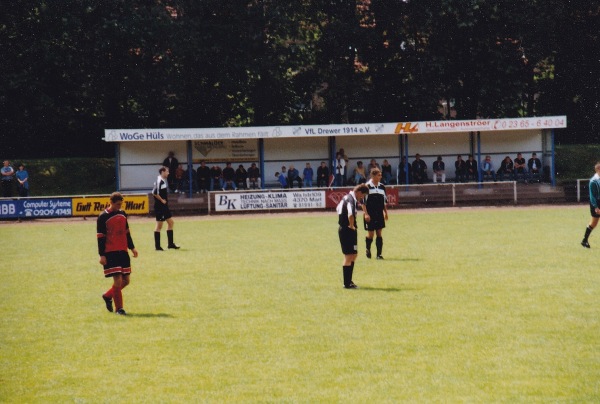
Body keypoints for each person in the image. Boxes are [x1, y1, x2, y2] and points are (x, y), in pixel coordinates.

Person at [97, 192, 139, 315]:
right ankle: (119, 309)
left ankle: (108, 295)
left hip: (123, 251)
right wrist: (102, 255)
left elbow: (127, 233)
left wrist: (132, 248)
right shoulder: (103, 217)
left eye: (121, 204)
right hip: (111, 252)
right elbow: (100, 237)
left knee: (126, 281)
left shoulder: (122, 214)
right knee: (118, 281)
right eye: (117, 204)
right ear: (111, 203)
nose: (119, 207)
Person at [336, 183, 369, 289]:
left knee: (354, 254)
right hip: (347, 230)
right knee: (349, 256)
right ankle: (346, 284)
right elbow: (350, 214)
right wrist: (351, 225)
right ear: (359, 192)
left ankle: (349, 281)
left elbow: (338, 209)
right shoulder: (351, 199)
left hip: (348, 230)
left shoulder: (347, 198)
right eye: (362, 196)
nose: (362, 198)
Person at [362, 168, 388, 260]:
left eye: (380, 175)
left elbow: (384, 202)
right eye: (378, 175)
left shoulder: (382, 186)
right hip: (370, 213)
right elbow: (363, 203)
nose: (380, 176)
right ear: (373, 176)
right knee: (371, 234)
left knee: (379, 233)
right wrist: (366, 214)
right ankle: (367, 248)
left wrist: (386, 213)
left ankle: (379, 255)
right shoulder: (367, 186)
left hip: (379, 214)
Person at [152, 167, 180, 251]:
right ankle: (157, 247)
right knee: (159, 226)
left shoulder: (163, 180)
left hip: (164, 207)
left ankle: (170, 244)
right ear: (162, 172)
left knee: (171, 223)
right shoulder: (159, 180)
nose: (168, 173)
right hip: (160, 207)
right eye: (167, 171)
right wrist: (162, 200)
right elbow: (154, 192)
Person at [581, 162, 600, 248]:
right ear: (598, 170)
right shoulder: (593, 181)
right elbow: (592, 196)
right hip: (596, 203)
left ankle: (584, 241)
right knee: (593, 223)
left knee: (594, 223)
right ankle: (584, 240)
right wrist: (596, 207)